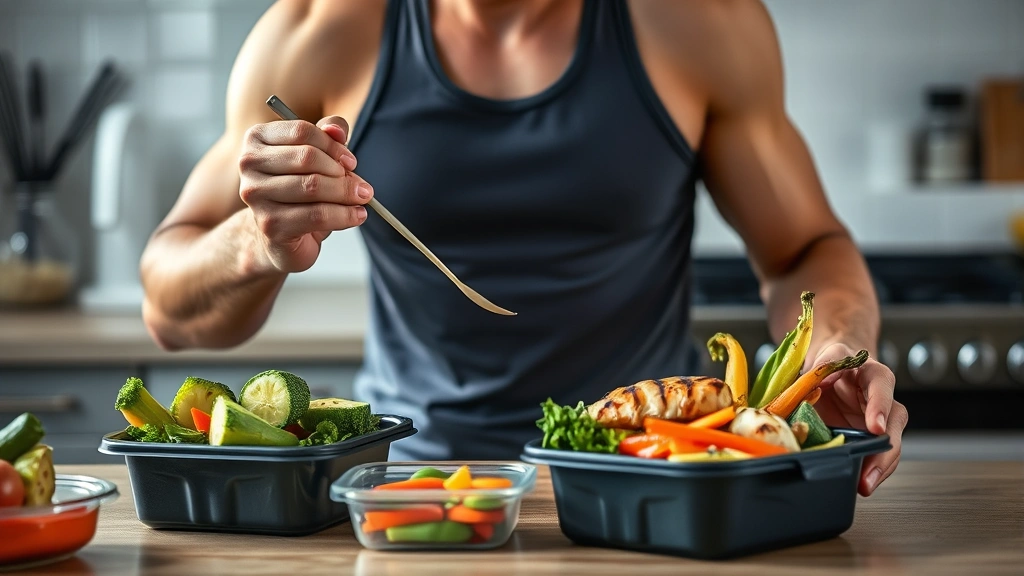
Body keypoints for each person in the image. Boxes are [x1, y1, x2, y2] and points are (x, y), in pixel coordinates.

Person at [140, 0, 907, 496]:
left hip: (650, 478)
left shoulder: (700, 23)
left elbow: (804, 247)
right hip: (414, 491)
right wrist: (255, 239)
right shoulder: (317, 30)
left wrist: (835, 346)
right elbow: (169, 311)